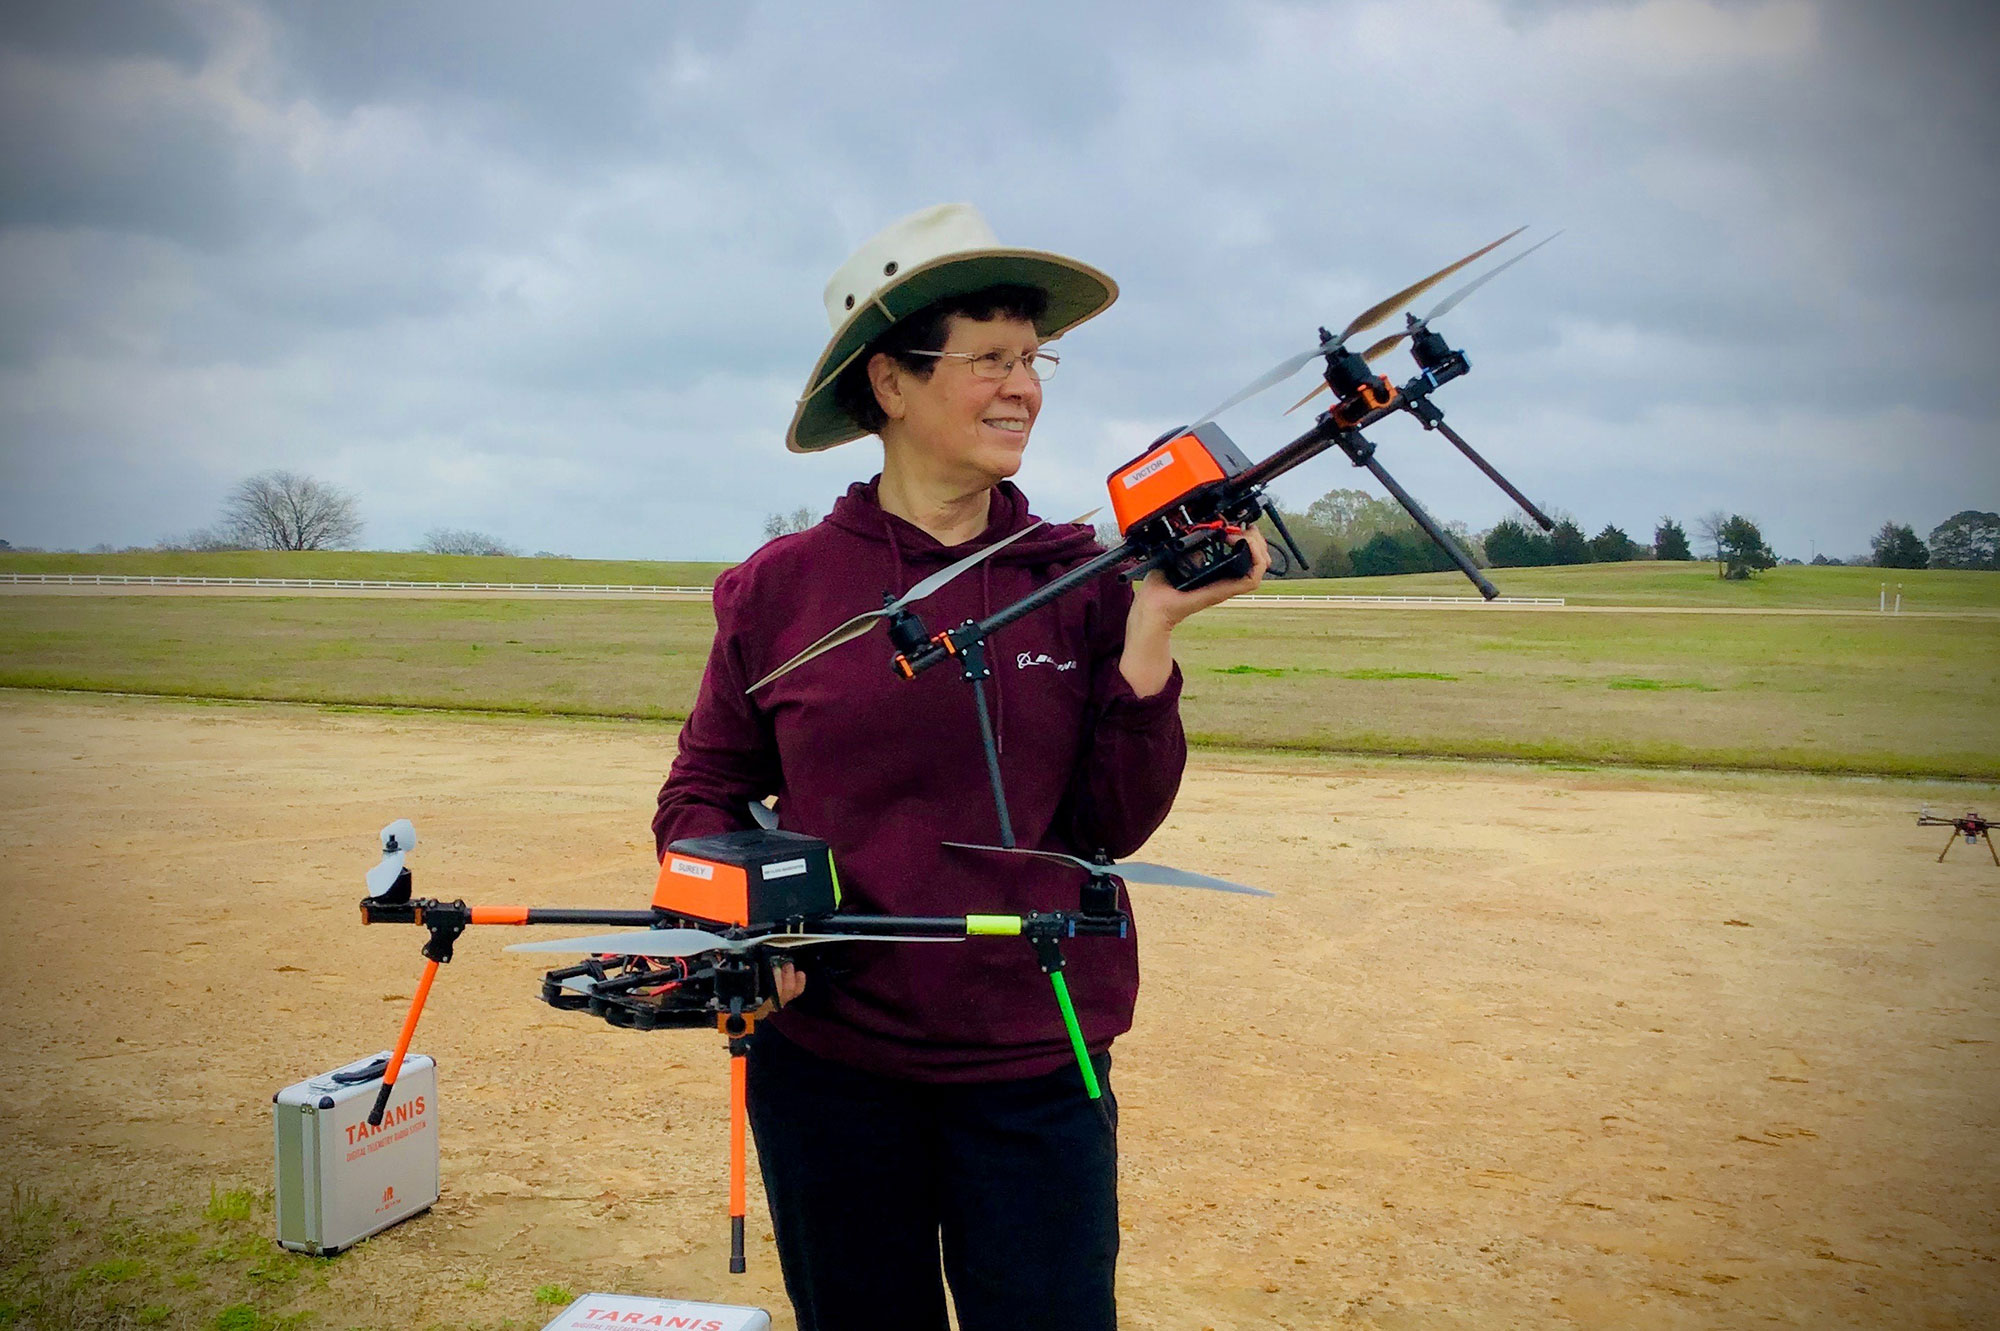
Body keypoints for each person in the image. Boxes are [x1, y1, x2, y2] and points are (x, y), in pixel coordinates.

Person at [652, 203, 1268, 1331]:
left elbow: (1108, 827)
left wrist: (1150, 634)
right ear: (889, 384)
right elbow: (702, 791)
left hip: (1035, 1063)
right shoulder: (778, 588)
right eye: (987, 358)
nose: (1021, 387)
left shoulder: (1080, 579)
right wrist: (734, 928)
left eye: (1032, 360)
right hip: (828, 1064)